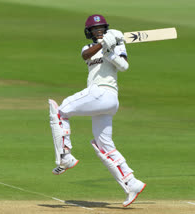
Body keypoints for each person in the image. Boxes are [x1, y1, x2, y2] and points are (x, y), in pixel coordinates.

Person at [48, 14, 146, 207]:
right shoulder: (88, 48)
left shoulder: (117, 44)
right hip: (102, 101)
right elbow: (86, 55)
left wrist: (111, 49)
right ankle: (131, 183)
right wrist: (104, 44)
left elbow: (124, 66)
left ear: (106, 28)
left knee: (60, 111)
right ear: (89, 32)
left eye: (101, 28)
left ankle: (65, 156)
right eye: (95, 29)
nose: (98, 31)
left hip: (104, 93)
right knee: (104, 144)